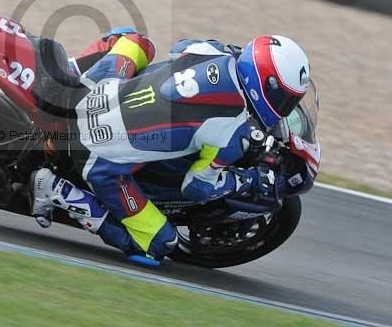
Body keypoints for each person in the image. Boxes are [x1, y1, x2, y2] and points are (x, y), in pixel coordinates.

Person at [30, 28, 310, 266]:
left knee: (135, 41)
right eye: (284, 99)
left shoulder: (212, 52)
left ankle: (70, 72)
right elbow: (197, 188)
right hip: (97, 158)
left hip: (97, 91)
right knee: (159, 245)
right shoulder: (231, 133)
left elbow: (181, 47)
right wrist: (245, 180)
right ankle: (58, 190)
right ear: (266, 85)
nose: (285, 108)